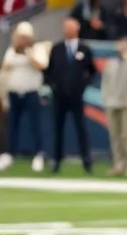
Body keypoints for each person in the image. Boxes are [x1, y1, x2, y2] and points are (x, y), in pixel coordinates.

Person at [44, 16, 96, 174]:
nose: (66, 30)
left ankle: (86, 160)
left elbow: (92, 70)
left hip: (76, 94)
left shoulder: (84, 49)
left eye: (69, 27)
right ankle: (57, 160)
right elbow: (49, 70)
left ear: (76, 29)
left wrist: (83, 85)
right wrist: (53, 85)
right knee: (58, 128)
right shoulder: (57, 48)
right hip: (59, 94)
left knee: (80, 127)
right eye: (65, 27)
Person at [0, 22, 48, 172]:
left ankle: (38, 155)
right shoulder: (11, 51)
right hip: (14, 93)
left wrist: (28, 52)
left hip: (31, 92)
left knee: (35, 125)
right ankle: (8, 155)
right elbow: (5, 68)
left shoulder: (37, 49)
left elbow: (41, 65)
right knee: (12, 126)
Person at [100, 34, 127, 176]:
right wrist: (105, 99)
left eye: (124, 43)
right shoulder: (111, 62)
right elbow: (105, 82)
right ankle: (119, 163)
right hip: (112, 102)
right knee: (115, 135)